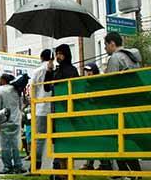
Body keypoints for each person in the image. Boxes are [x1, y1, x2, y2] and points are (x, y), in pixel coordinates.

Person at [104, 32, 142, 178]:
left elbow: (110, 83)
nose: (106, 49)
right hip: (134, 103)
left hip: (120, 104)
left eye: (106, 45)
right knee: (125, 139)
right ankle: (130, 172)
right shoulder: (133, 58)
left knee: (119, 139)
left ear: (112, 43)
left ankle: (131, 172)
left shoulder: (115, 58)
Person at [44, 44, 79, 173]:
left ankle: (66, 169)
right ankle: (59, 167)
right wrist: (49, 71)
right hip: (56, 110)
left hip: (67, 110)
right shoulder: (56, 71)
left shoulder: (72, 70)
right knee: (57, 138)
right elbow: (46, 88)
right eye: (56, 53)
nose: (58, 56)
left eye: (60, 53)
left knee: (67, 139)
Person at [79, 63, 113, 171]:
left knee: (99, 140)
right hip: (91, 115)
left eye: (90, 71)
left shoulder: (99, 82)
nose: (88, 73)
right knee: (92, 140)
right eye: (86, 71)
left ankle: (105, 164)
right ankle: (91, 163)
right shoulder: (87, 84)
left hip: (100, 116)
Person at [0, 73, 24, 174]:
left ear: (3, 80)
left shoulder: (1, 91)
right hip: (16, 121)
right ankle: (18, 166)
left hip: (4, 122)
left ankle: (7, 167)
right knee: (15, 145)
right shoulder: (17, 90)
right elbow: (21, 106)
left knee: (5, 146)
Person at [30, 49, 53, 169]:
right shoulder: (55, 69)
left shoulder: (37, 71)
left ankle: (36, 165)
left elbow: (32, 91)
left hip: (40, 107)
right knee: (54, 138)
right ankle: (56, 164)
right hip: (54, 107)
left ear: (41, 58)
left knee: (39, 138)